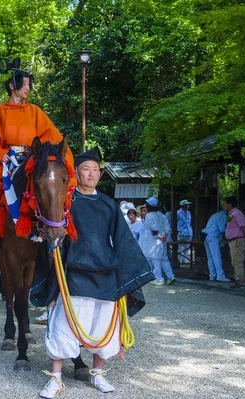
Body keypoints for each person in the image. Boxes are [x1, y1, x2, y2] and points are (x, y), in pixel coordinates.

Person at [38, 148, 153, 397]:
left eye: (95, 170)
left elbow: (123, 240)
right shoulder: (66, 201)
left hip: (105, 273)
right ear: (76, 173)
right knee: (63, 324)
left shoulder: (109, 204)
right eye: (86, 169)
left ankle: (97, 374)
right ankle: (55, 378)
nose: (91, 174)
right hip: (73, 273)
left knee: (104, 327)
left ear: (100, 174)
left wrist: (129, 275)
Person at [0, 64, 76, 239]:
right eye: (24, 83)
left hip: (31, 157)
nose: (28, 88)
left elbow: (50, 135)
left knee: (50, 184)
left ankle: (59, 225)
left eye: (28, 84)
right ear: (12, 86)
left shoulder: (35, 111)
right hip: (5, 157)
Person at [139, 197, 176, 286]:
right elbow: (167, 227)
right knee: (164, 259)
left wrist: (159, 237)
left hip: (154, 242)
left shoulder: (149, 215)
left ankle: (159, 279)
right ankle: (171, 276)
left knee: (155, 260)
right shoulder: (161, 215)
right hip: (162, 241)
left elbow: (154, 229)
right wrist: (165, 236)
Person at [223, 196, 245, 288]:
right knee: (235, 261)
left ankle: (241, 281)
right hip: (233, 241)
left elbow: (243, 227)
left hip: (238, 240)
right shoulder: (231, 214)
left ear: (229, 204)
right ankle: (238, 279)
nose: (224, 205)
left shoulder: (237, 214)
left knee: (237, 261)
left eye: (225, 203)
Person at [201, 210, 231, 282]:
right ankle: (220, 275)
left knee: (210, 257)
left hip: (205, 235)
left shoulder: (215, 214)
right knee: (216, 256)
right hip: (212, 236)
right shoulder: (223, 216)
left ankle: (212, 275)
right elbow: (222, 229)